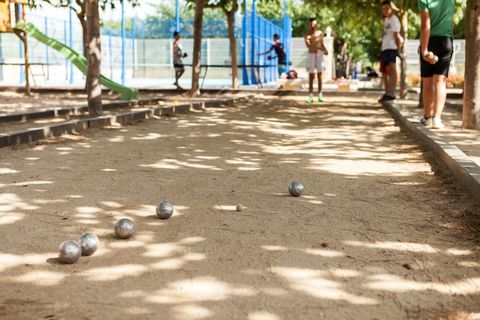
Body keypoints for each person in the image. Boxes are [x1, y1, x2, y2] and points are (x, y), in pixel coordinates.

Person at [418, 0, 454, 129]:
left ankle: (428, 117)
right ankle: (437, 119)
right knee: (440, 81)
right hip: (446, 40)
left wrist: (424, 50)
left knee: (427, 81)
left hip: (429, 41)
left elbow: (425, 26)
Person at [379, 1, 403, 102]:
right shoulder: (386, 20)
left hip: (392, 48)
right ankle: (387, 92)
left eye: (386, 8)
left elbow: (396, 36)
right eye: (383, 9)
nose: (385, 11)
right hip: (385, 48)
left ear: (391, 8)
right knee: (385, 71)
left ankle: (392, 93)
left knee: (392, 69)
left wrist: (399, 49)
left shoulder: (394, 19)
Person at [304, 18, 328, 104]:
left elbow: (321, 44)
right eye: (311, 24)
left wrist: (325, 50)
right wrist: (317, 46)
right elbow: (309, 46)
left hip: (320, 55)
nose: (313, 26)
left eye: (315, 24)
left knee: (320, 76)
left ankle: (320, 94)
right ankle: (310, 95)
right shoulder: (307, 35)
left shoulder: (320, 33)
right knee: (311, 76)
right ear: (309, 25)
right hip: (311, 55)